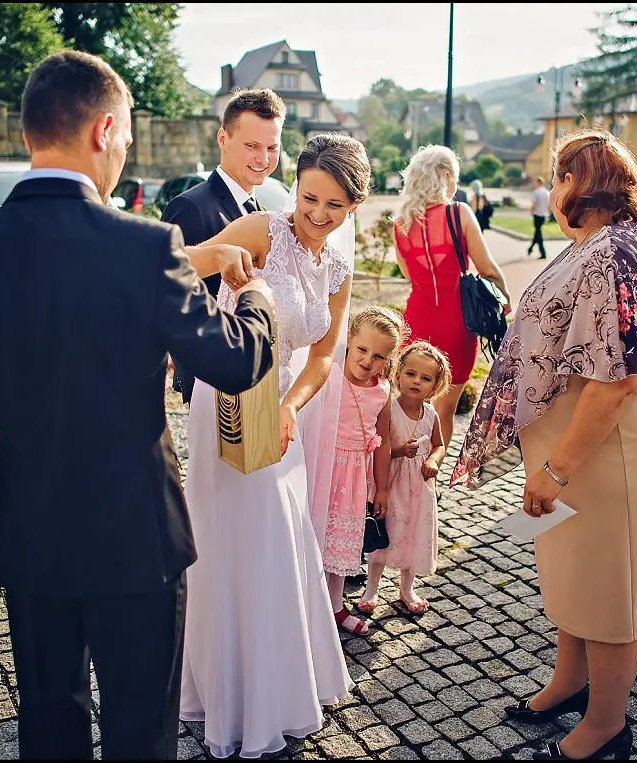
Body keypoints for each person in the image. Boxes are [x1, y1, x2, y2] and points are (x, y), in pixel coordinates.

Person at [0, 51, 277, 760]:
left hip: (32, 528)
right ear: (104, 130)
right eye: (127, 138)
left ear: (30, 132)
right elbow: (234, 362)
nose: (124, 154)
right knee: (140, 728)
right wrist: (257, 300)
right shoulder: (144, 247)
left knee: (49, 721)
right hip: (136, 531)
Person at [452, 128, 637, 761]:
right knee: (576, 576)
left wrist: (555, 469)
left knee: (609, 592)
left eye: (558, 176)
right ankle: (569, 684)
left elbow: (617, 379)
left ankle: (607, 726)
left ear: (582, 183)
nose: (552, 190)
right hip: (584, 451)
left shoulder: (613, 252)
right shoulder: (593, 245)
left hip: (610, 453)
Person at [179, 133, 371, 759]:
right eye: (309, 198)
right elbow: (177, 265)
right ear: (296, 187)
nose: (317, 214)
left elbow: (322, 357)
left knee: (277, 537)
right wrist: (220, 258)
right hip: (230, 399)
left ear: (353, 207)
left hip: (284, 410)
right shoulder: (264, 228)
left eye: (334, 205)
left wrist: (291, 406)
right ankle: (223, 691)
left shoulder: (338, 269)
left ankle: (275, 686)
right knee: (231, 536)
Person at [165, 88, 286, 404]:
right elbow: (171, 294)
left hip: (255, 376)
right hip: (212, 381)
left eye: (272, 147)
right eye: (251, 146)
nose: (263, 159)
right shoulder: (191, 207)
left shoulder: (260, 209)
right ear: (223, 138)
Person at [393, 145, 511, 449]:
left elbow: (409, 275)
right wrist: (505, 300)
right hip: (457, 323)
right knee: (445, 409)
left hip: (416, 321)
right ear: (445, 175)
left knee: (410, 403)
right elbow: (487, 269)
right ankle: (431, 469)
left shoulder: (400, 224)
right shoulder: (459, 213)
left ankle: (404, 467)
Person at [318, 306, 402, 636]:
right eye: (362, 349)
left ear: (389, 359)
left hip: (355, 478)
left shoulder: (383, 392)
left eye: (379, 356)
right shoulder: (328, 375)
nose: (368, 361)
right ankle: (307, 602)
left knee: (342, 541)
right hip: (323, 470)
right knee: (316, 536)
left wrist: (381, 488)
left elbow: (383, 443)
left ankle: (335, 606)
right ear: (349, 339)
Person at [359, 341, 450, 616]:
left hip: (419, 487)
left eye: (425, 378)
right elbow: (379, 447)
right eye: (411, 374)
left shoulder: (431, 414)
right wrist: (399, 451)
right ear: (398, 375)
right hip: (392, 482)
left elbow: (439, 445)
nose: (416, 381)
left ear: (434, 386)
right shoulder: (389, 409)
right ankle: (371, 587)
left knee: (413, 534)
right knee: (385, 533)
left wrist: (433, 460)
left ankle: (407, 588)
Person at [528, 175, 550, 258]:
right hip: (544, 215)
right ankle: (531, 248)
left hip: (537, 214)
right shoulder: (546, 192)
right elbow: (549, 205)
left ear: (539, 183)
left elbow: (534, 204)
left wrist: (531, 211)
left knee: (538, 233)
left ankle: (542, 252)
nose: (534, 184)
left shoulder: (536, 192)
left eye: (535, 182)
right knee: (538, 232)